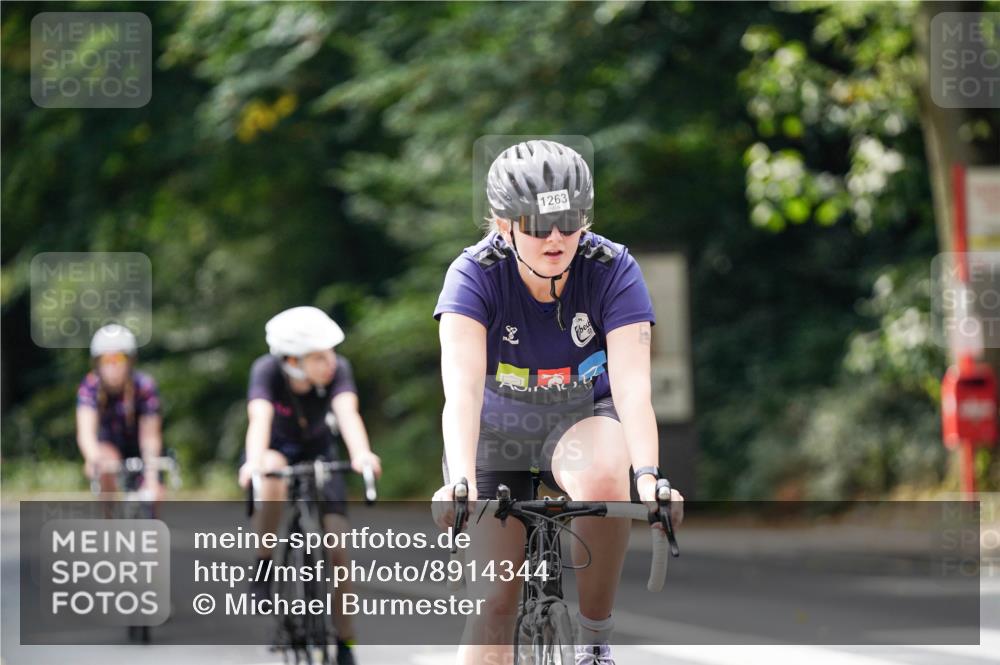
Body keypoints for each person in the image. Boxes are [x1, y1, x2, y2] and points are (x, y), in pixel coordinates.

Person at [431, 140, 684, 665]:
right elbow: (462, 390)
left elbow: (633, 387)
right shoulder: (473, 274)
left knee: (605, 478)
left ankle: (594, 642)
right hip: (496, 431)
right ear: (504, 225)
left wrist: (649, 477)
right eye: (537, 225)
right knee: (493, 606)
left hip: (581, 420)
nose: (555, 238)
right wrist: (459, 481)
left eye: (568, 222)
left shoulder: (612, 268)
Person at [237, 306, 381, 665]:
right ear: (292, 361)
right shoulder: (267, 371)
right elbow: (259, 418)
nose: (330, 363)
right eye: (318, 357)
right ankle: (264, 562)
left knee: (338, 549)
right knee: (271, 472)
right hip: (275, 449)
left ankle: (345, 641)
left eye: (330, 353)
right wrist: (253, 462)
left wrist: (362, 454)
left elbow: (347, 413)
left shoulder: (338, 369)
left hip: (320, 453)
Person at [77, 324, 163, 498]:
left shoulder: (144, 387)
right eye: (106, 360)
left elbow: (150, 437)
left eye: (119, 358)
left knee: (155, 494)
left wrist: (152, 476)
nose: (113, 365)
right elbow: (86, 432)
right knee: (104, 464)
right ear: (97, 363)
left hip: (140, 448)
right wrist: (92, 457)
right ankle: (110, 514)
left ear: (130, 361)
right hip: (108, 448)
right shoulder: (90, 386)